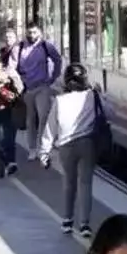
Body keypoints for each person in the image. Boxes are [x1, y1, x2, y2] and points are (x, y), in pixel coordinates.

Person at [38, 64, 101, 237]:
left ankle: (67, 220)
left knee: (69, 182)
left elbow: (51, 127)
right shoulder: (93, 96)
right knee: (86, 184)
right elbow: (110, 114)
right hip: (87, 144)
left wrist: (44, 152)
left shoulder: (60, 100)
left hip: (66, 146)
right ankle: (85, 225)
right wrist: (100, 94)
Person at [10, 21, 63, 161]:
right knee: (30, 120)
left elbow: (57, 59)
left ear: (40, 32)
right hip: (26, 88)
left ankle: (40, 147)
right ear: (26, 32)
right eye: (30, 32)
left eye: (35, 32)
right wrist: (18, 81)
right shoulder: (19, 47)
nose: (32, 35)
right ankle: (32, 148)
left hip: (42, 87)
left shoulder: (46, 46)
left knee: (43, 117)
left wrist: (53, 77)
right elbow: (11, 67)